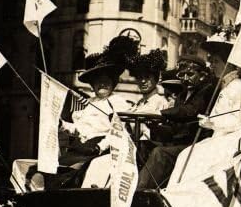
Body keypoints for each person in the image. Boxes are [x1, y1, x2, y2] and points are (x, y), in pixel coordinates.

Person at [137, 58, 216, 188]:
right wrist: (153, 126)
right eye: (181, 75)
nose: (185, 78)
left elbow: (190, 111)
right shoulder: (181, 96)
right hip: (178, 143)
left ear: (202, 76)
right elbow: (173, 130)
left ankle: (140, 190)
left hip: (196, 144)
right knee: (141, 146)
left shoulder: (206, 92)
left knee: (160, 153)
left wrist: (161, 113)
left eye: (190, 74)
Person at [57, 51, 133, 186]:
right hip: (82, 147)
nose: (102, 84)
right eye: (98, 81)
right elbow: (80, 129)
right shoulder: (90, 102)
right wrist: (62, 125)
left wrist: (99, 147)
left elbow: (118, 132)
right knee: (59, 167)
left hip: (102, 148)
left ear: (113, 83)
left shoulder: (117, 102)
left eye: (106, 81)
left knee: (77, 172)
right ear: (92, 85)